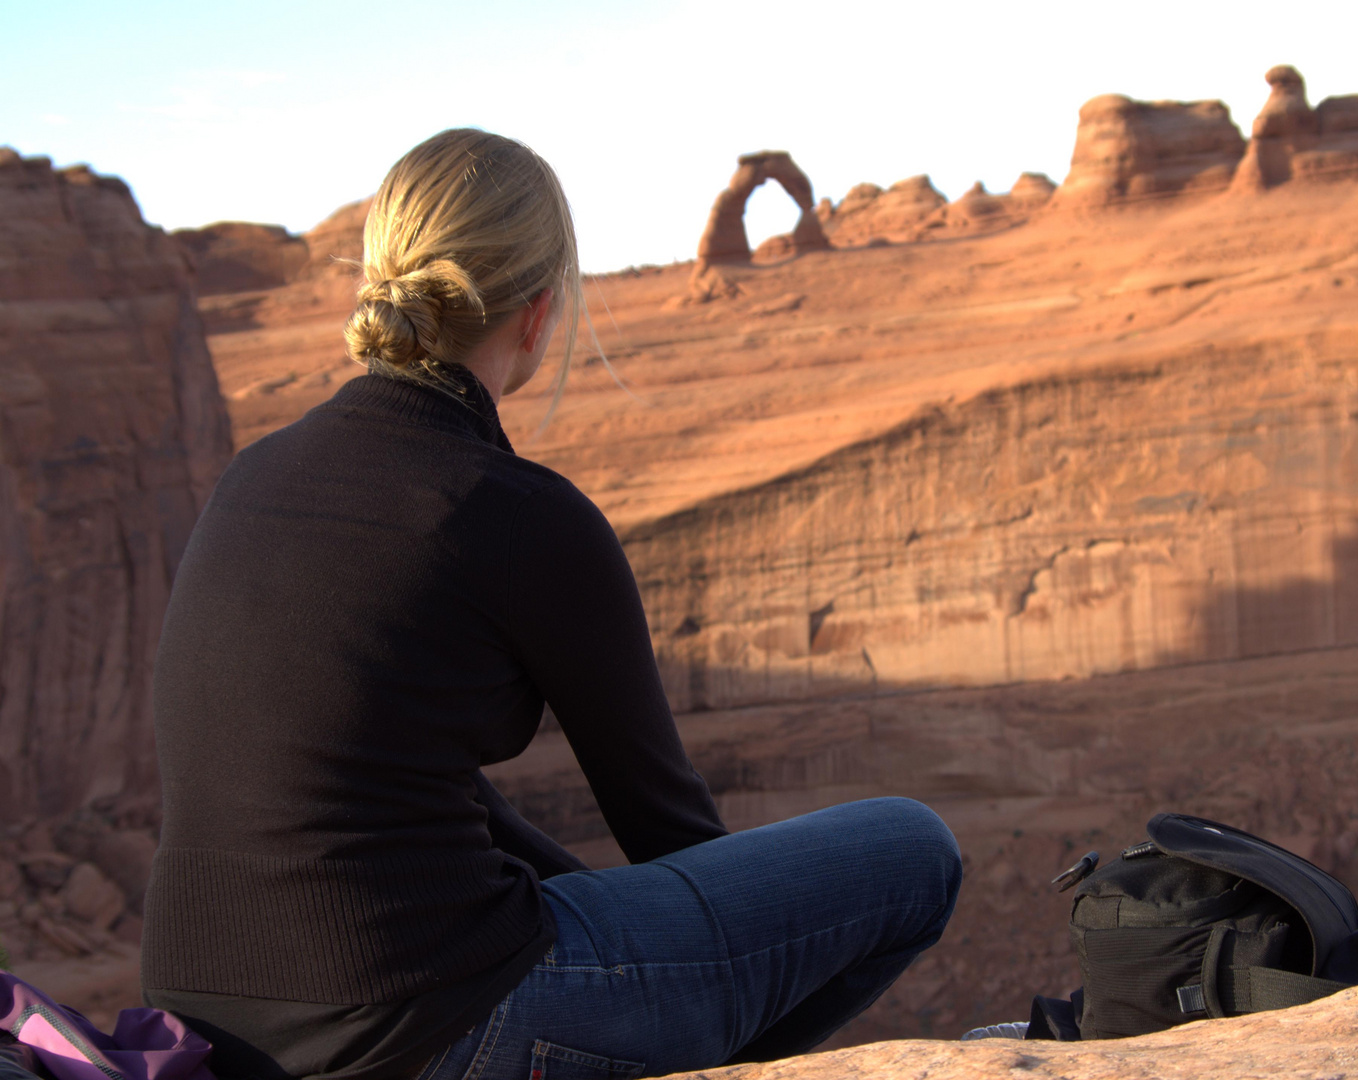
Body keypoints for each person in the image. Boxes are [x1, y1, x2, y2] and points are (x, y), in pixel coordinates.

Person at [141, 129, 961, 1080]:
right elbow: (672, 836)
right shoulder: (519, 515)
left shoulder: (255, 472)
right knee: (911, 849)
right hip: (422, 1031)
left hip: (212, 1021)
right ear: (536, 313)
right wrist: (670, 957)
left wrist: (601, 917)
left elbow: (383, 768)